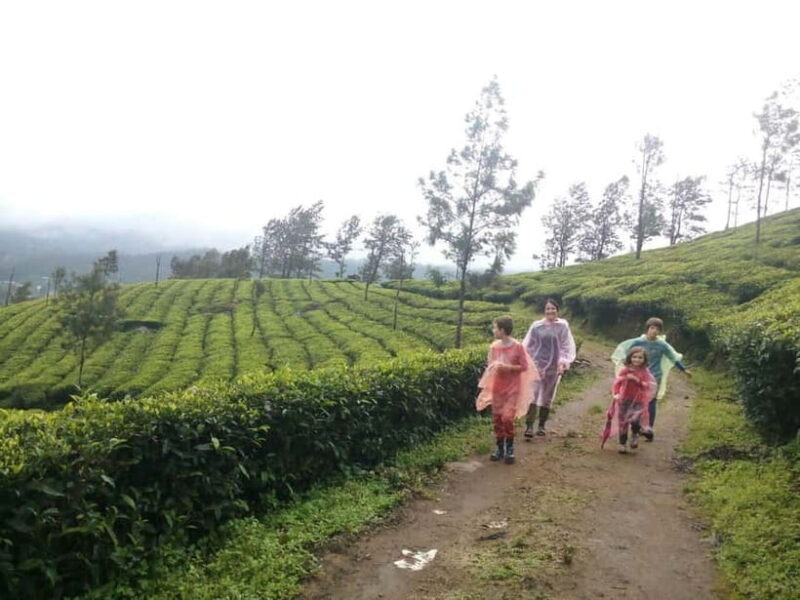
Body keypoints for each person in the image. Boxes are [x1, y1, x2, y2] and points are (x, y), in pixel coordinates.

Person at [611, 317, 692, 441]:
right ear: (648, 329)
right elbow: (626, 355)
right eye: (652, 328)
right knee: (636, 401)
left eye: (657, 329)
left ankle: (648, 429)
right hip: (638, 376)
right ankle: (634, 427)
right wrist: (626, 370)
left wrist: (684, 369)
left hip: (654, 377)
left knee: (651, 402)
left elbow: (673, 358)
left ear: (660, 331)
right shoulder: (637, 342)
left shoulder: (662, 345)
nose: (654, 331)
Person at [476, 316, 537, 464]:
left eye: (495, 328)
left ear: (502, 330)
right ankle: (499, 448)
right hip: (498, 387)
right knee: (497, 418)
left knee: (508, 418)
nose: (493, 330)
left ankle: (510, 448)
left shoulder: (518, 347)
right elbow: (490, 365)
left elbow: (524, 367)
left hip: (512, 388)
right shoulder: (494, 347)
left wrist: (506, 367)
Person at [522, 299, 576, 438]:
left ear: (557, 310)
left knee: (547, 396)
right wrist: (527, 359)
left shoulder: (563, 326)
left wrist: (563, 361)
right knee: (533, 395)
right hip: (537, 365)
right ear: (544, 310)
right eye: (547, 308)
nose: (550, 311)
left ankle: (541, 426)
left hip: (554, 367)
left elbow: (566, 345)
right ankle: (529, 426)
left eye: (553, 308)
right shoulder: (537, 326)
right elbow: (529, 344)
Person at [606, 346, 656, 454]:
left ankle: (635, 435)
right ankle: (622, 443)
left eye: (640, 358)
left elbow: (648, 386)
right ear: (630, 357)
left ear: (644, 360)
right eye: (634, 357)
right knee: (623, 422)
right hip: (624, 400)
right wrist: (616, 394)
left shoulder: (645, 372)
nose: (637, 360)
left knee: (635, 420)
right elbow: (617, 383)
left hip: (639, 401)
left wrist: (637, 380)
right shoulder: (625, 370)